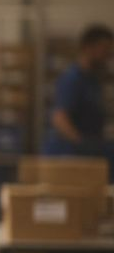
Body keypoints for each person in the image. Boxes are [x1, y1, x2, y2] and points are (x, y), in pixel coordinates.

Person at [43, 23, 112, 162]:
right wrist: (82, 144)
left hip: (88, 151)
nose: (109, 55)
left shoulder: (93, 81)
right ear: (88, 48)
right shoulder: (72, 79)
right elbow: (59, 118)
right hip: (68, 154)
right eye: (104, 49)